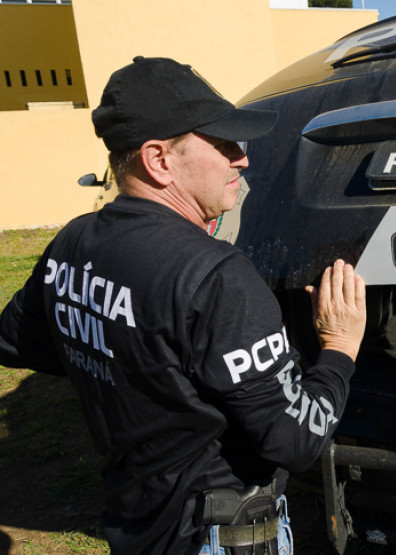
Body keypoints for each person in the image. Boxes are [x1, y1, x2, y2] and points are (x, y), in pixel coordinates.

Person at [0, 56, 366, 554]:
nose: (242, 159)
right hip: (214, 536)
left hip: (137, 523)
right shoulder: (217, 278)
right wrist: (339, 347)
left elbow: (19, 342)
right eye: (223, 144)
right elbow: (297, 440)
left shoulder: (73, 242)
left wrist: (129, 367)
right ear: (158, 160)